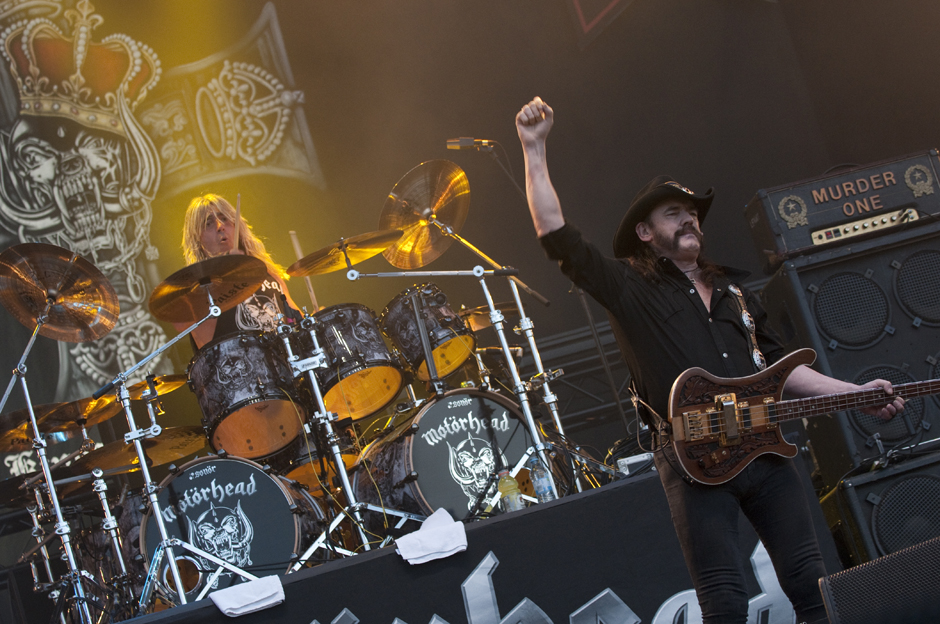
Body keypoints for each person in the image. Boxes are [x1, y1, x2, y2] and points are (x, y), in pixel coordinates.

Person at [514, 97, 905, 624]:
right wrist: (533, 147)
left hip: (766, 453)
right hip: (693, 463)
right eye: (674, 212)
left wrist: (854, 395)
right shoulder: (630, 286)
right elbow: (557, 236)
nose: (690, 217)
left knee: (812, 585)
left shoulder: (734, 293)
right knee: (723, 603)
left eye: (693, 212)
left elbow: (786, 370)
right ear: (646, 234)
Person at [175, 193, 300, 349]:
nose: (220, 226)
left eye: (225, 218)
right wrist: (227, 271)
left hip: (287, 362)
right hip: (240, 368)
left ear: (237, 225)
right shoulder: (197, 289)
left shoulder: (267, 272)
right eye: (208, 223)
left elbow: (295, 320)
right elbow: (180, 324)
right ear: (197, 240)